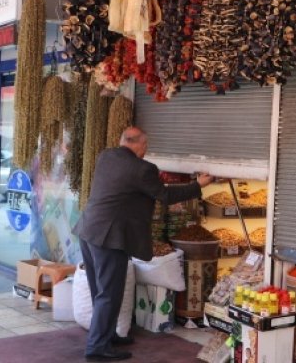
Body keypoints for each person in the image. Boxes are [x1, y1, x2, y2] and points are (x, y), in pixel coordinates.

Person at [72, 127, 214, 361]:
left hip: (89, 231)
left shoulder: (106, 156)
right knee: (109, 294)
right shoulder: (143, 169)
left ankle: (106, 336)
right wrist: (198, 184)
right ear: (139, 144)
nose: (147, 150)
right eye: (146, 146)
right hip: (110, 238)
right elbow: (165, 196)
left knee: (100, 291)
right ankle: (97, 347)